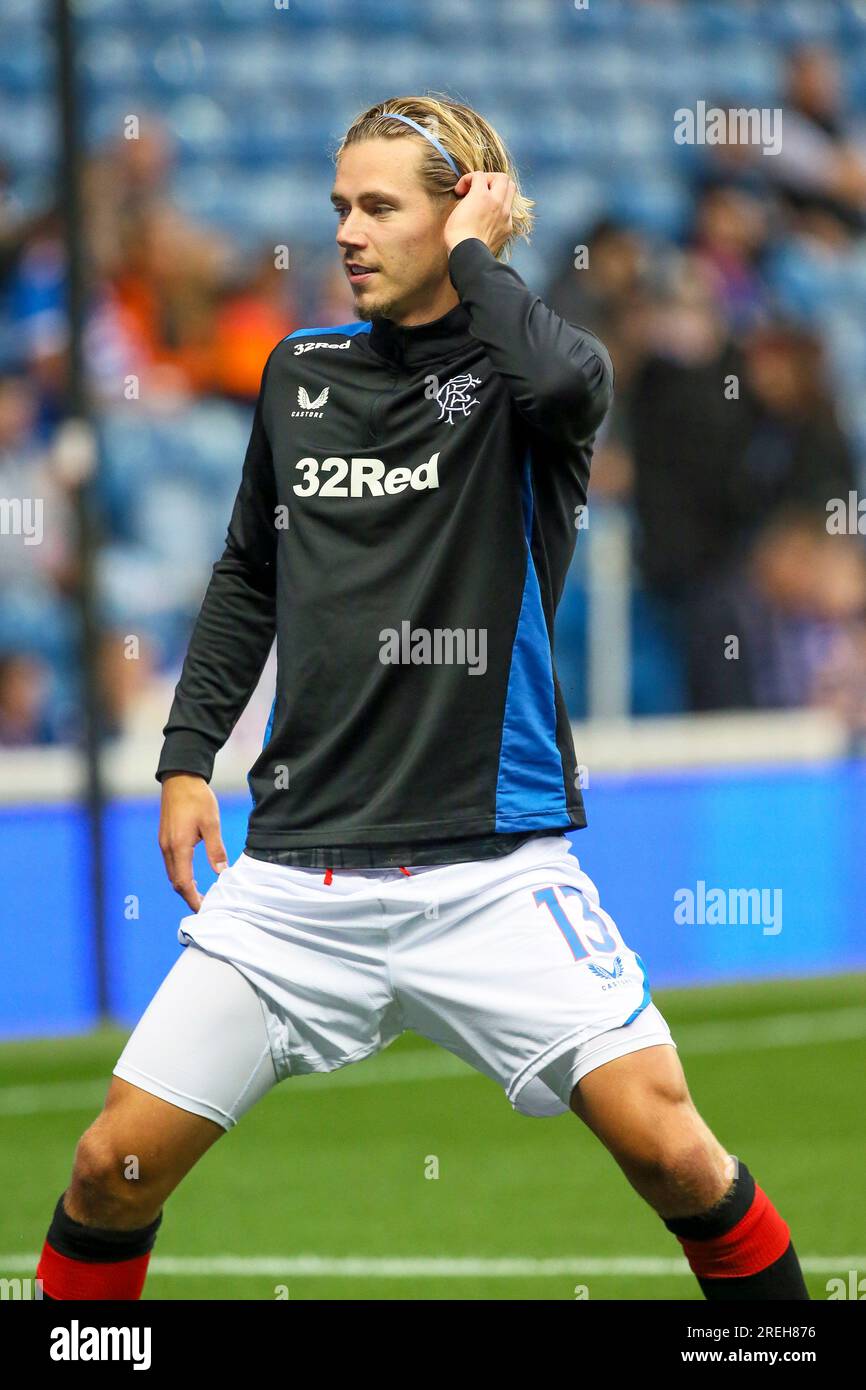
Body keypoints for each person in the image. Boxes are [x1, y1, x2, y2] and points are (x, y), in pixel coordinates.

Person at [35, 95, 808, 1302]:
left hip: (491, 871)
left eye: (379, 206)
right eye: (337, 205)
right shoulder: (300, 376)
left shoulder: (534, 385)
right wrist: (188, 755)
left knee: (669, 1146)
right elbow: (250, 569)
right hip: (299, 881)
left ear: (463, 216)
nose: (344, 231)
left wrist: (474, 260)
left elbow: (556, 373)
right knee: (109, 1169)